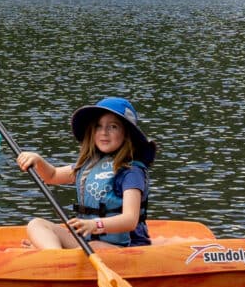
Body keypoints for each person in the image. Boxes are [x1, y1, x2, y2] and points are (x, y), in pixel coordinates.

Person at [15, 97, 157, 250]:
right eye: (98, 126)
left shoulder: (131, 172)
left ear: (127, 134)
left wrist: (94, 224)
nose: (104, 132)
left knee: (94, 245)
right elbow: (52, 176)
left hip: (127, 248)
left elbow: (130, 220)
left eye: (113, 127)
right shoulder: (89, 166)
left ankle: (52, 255)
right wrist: (38, 160)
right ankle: (54, 255)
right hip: (87, 243)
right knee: (36, 224)